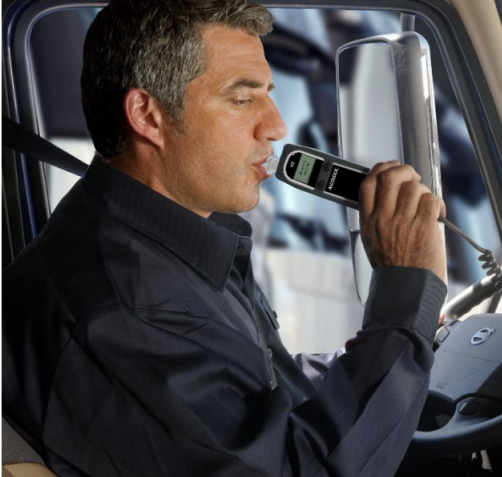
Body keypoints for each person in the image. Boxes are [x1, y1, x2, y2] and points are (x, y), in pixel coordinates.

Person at [2, 0, 448, 475]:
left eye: (269, 94)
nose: (275, 125)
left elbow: (249, 388)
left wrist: (391, 351)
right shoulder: (124, 310)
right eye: (242, 99)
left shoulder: (164, 241)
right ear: (148, 116)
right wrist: (404, 298)